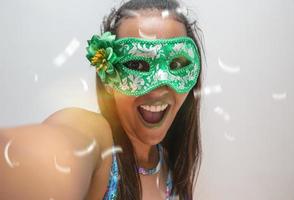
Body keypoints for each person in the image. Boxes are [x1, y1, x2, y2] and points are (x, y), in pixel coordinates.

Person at [0, 0, 204, 199]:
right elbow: (51, 153)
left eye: (177, 64)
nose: (159, 87)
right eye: (137, 65)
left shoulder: (170, 166)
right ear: (107, 76)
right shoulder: (97, 144)